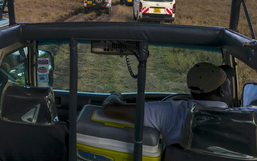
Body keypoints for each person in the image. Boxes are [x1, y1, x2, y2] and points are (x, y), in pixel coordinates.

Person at [102, 62, 246, 146]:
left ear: (192, 91)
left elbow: (110, 109)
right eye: (229, 88)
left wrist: (115, 95)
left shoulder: (172, 111)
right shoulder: (245, 119)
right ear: (221, 91)